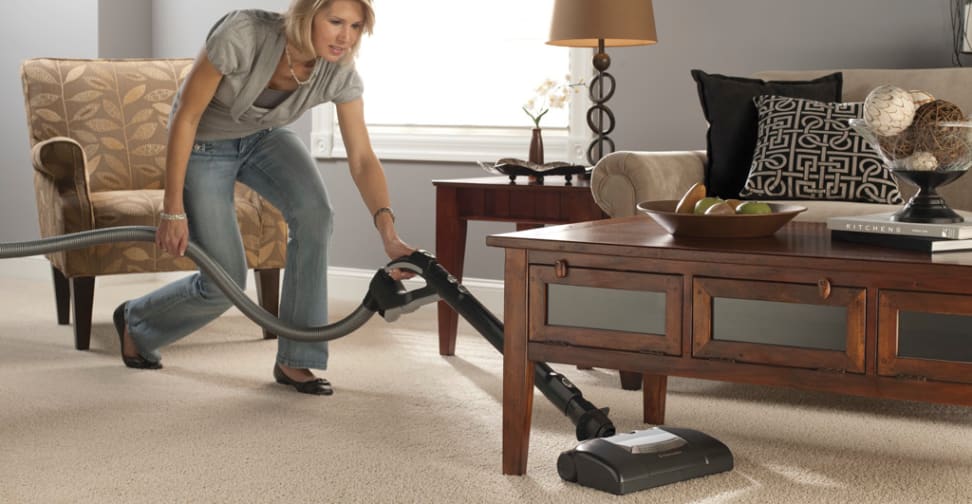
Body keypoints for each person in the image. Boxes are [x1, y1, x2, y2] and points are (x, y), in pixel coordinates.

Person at [112, 0, 413, 396]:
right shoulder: (244, 34)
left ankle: (296, 360)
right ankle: (138, 320)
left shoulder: (338, 71)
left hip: (266, 138)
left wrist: (389, 234)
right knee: (224, 282)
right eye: (336, 21)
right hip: (205, 144)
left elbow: (361, 158)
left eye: (356, 26)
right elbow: (185, 115)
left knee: (316, 214)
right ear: (307, 14)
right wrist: (172, 209)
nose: (346, 36)